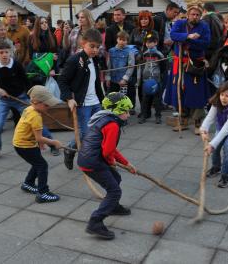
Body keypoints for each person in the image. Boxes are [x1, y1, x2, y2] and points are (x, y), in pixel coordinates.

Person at [77, 92, 136, 239]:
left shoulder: (105, 119)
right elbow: (108, 151)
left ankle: (113, 206)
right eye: (125, 111)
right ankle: (95, 222)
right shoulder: (113, 125)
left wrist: (126, 163)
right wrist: (111, 162)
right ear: (116, 111)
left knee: (115, 178)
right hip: (93, 162)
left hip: (90, 158)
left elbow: (110, 149)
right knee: (115, 191)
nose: (128, 115)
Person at [58, 29, 105, 170]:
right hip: (82, 104)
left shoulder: (95, 60)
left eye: (98, 47)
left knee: (100, 131)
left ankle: (96, 158)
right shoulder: (75, 60)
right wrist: (68, 98)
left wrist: (103, 99)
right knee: (85, 134)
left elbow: (96, 83)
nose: (95, 50)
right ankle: (70, 149)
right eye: (92, 46)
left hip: (96, 102)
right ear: (83, 43)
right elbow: (62, 80)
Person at [13, 85, 63, 203]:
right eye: (46, 105)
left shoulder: (29, 108)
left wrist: (39, 143)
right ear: (35, 102)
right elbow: (39, 137)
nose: (48, 107)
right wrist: (54, 142)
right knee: (42, 166)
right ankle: (43, 193)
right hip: (24, 146)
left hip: (23, 143)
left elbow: (30, 130)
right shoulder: (35, 116)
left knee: (37, 163)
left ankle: (28, 184)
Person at [167, 1, 211, 135]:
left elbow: (205, 43)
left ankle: (198, 122)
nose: (195, 16)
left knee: (196, 93)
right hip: (180, 63)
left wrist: (189, 42)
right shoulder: (180, 23)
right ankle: (183, 120)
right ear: (188, 14)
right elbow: (173, 35)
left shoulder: (204, 26)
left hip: (195, 65)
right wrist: (188, 36)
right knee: (180, 91)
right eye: (193, 14)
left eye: (198, 14)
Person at [0, 39, 29, 162]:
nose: (4, 55)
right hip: (4, 100)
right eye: (1, 52)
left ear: (10, 52)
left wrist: (30, 97)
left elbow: (26, 81)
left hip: (20, 98)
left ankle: (52, 145)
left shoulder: (16, 64)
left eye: (6, 52)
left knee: (35, 121)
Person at [129, 10, 159, 116]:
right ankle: (143, 110)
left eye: (146, 18)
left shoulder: (154, 32)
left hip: (149, 62)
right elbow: (130, 45)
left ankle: (148, 110)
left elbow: (156, 47)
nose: (143, 21)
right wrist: (136, 54)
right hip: (137, 62)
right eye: (141, 18)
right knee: (140, 86)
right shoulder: (135, 31)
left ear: (149, 20)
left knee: (148, 86)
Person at [138, 34, 165, 124]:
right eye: (147, 42)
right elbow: (141, 63)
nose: (148, 44)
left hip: (156, 80)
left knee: (157, 99)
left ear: (155, 43)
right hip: (146, 80)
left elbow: (163, 67)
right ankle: (143, 115)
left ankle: (158, 116)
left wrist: (159, 76)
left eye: (151, 42)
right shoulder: (144, 53)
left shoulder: (159, 54)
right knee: (145, 99)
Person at [202, 3, 224, 70]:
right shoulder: (218, 17)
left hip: (208, 49)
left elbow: (203, 33)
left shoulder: (206, 17)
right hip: (217, 48)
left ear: (204, 10)